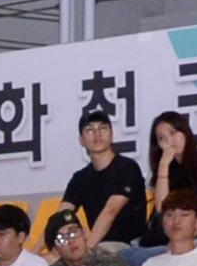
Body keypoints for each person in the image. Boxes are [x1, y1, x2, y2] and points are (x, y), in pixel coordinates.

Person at [62, 105, 150, 253]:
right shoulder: (80, 178)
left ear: (111, 134)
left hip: (130, 245)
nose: (97, 134)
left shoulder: (127, 168)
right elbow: (60, 216)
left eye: (103, 128)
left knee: (96, 255)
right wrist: (37, 252)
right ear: (81, 140)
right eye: (90, 130)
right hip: (99, 244)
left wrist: (86, 250)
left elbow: (110, 211)